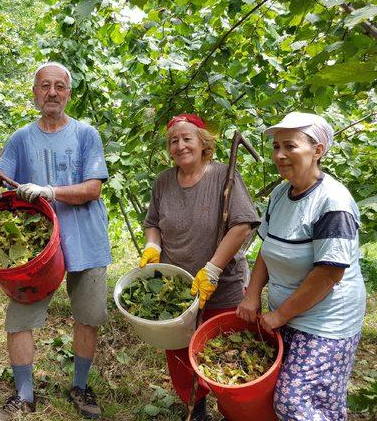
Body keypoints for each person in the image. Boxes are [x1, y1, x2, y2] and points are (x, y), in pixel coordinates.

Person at [0, 62, 111, 420]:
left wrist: (51, 190)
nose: (52, 93)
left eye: (59, 87)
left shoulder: (86, 135)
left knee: (87, 316)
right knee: (20, 317)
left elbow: (93, 188)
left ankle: (80, 387)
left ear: (68, 93)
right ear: (34, 92)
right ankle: (24, 395)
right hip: (36, 249)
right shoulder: (22, 138)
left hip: (86, 238)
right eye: (44, 86)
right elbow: (0, 174)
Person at [236, 112, 366, 421]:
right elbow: (268, 250)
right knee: (303, 395)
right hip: (287, 311)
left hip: (327, 319)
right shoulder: (281, 194)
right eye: (276, 146)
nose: (279, 155)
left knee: (294, 401)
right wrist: (252, 295)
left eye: (290, 146)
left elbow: (328, 275)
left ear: (317, 150)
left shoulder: (333, 202)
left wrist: (280, 315)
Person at [140, 113, 260, 421]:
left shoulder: (224, 175)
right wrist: (152, 245)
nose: (180, 146)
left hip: (221, 288)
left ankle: (235, 411)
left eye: (186, 138)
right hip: (177, 292)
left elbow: (242, 224)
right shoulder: (164, 181)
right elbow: (152, 223)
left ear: (203, 142)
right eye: (173, 141)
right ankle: (197, 411)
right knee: (181, 356)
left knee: (225, 356)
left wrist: (214, 269)